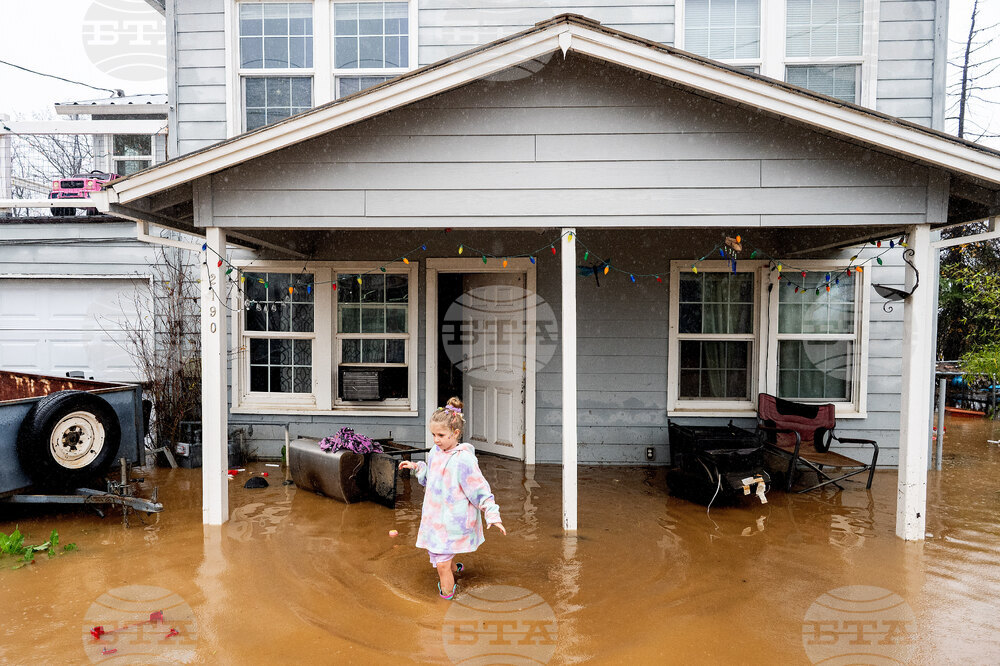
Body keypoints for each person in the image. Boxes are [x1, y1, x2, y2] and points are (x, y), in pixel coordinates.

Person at [399, 397, 506, 600]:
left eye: (441, 435)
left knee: (441, 564)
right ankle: (455, 568)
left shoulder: (463, 459)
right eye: (433, 435)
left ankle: (446, 599)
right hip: (435, 518)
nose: (436, 440)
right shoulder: (436, 452)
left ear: (455, 433)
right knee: (439, 554)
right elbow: (431, 477)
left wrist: (493, 515)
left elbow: (479, 489)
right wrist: (417, 467)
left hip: (453, 520)